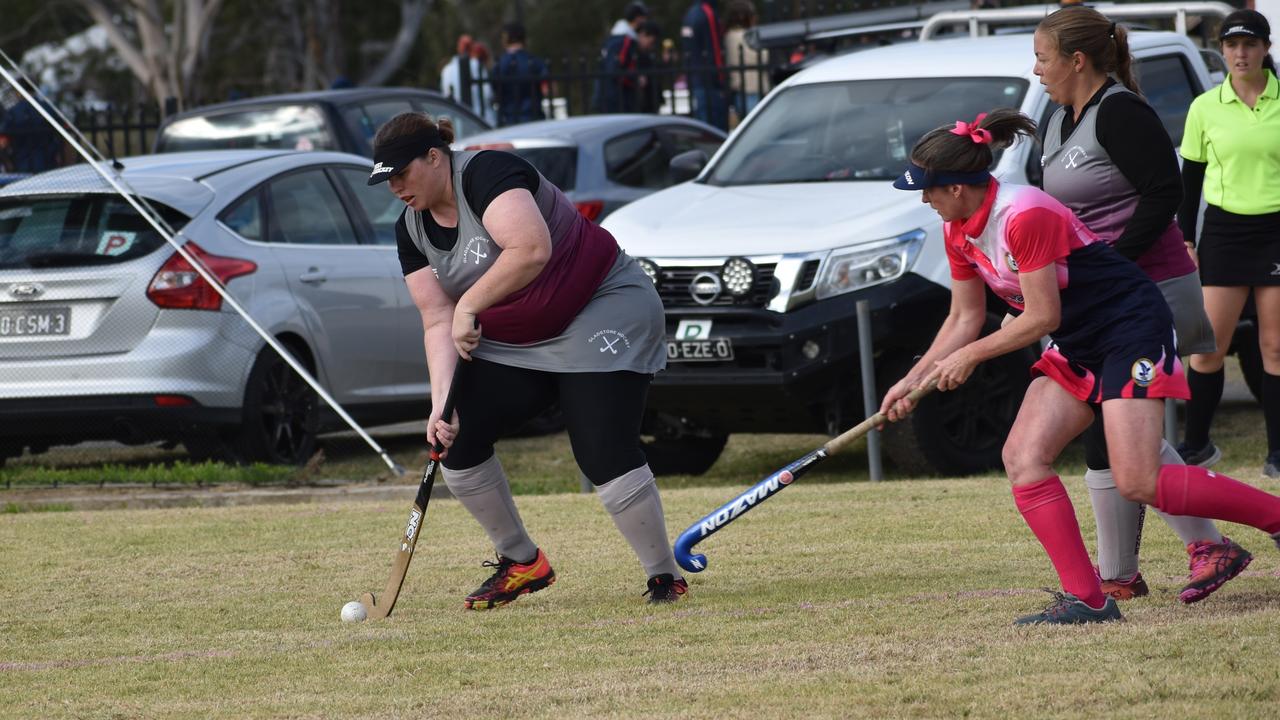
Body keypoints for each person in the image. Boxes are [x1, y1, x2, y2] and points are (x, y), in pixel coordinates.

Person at [880, 108, 1280, 625]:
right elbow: (964, 317)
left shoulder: (1025, 214)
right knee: (1023, 457)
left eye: (928, 190)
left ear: (958, 188)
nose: (923, 200)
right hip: (1080, 341)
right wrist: (911, 383)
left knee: (1138, 478)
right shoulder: (957, 230)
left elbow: (1041, 315)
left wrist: (970, 356)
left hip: (1131, 329)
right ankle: (1089, 601)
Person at [367, 112, 687, 608]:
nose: (396, 188)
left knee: (601, 447)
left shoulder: (489, 174)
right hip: (519, 337)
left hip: (600, 305)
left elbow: (531, 250)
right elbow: (437, 319)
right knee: (458, 436)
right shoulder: (411, 228)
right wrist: (439, 406)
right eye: (387, 180)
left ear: (434, 158)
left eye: (401, 174)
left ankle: (665, 576)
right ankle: (522, 562)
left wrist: (469, 305)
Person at [1034, 6, 1250, 605]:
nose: (1036, 71)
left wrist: (1112, 268)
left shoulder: (1121, 112)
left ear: (1077, 60)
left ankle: (1204, 546)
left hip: (1147, 290)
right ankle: (1123, 574)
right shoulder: (1057, 117)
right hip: (1103, 299)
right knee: (1111, 430)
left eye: (1043, 58)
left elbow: (1165, 193)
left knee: (1119, 423)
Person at [1178, 9, 1280, 479]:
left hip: (1276, 231)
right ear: (1221, 51)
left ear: (1266, 49)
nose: (1241, 53)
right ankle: (1196, 446)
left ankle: (1277, 454)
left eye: (1250, 44)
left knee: (1274, 348)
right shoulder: (1205, 107)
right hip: (1223, 231)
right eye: (1232, 45)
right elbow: (1191, 179)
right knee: (1207, 349)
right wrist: (1186, 238)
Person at [595, 14, 660, 113]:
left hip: (613, 99)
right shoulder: (625, 42)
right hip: (616, 100)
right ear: (643, 34)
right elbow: (615, 71)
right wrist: (636, 78)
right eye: (651, 42)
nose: (650, 47)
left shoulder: (619, 41)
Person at [681, 0, 728, 130]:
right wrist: (720, 80)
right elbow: (715, 49)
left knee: (703, 128)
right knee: (716, 130)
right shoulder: (707, 13)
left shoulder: (690, 13)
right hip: (710, 81)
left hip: (697, 79)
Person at [492, 22, 549, 126]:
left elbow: (494, 92)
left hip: (508, 119)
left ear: (506, 38)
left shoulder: (499, 65)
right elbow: (546, 90)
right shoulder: (535, 62)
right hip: (534, 118)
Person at [723, 0, 764, 122]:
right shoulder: (746, 35)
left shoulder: (728, 35)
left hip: (740, 88)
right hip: (752, 88)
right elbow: (762, 56)